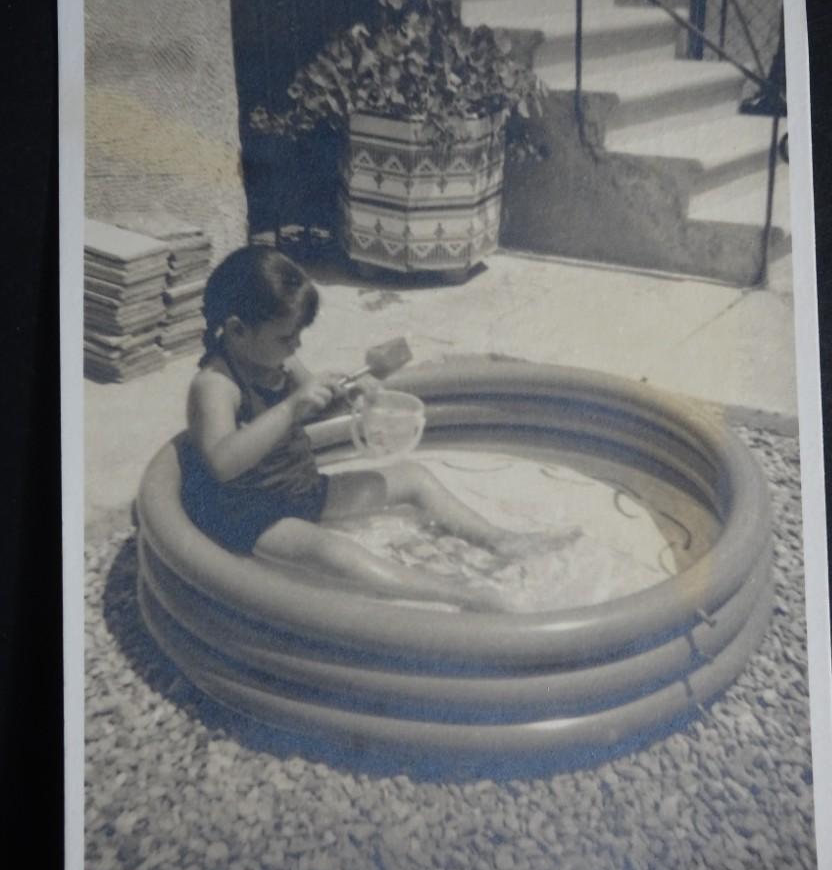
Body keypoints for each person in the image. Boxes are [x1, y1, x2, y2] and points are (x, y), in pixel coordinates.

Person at [181, 246, 576, 611]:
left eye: (299, 335)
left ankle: (499, 540)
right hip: (255, 517)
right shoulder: (215, 386)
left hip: (301, 490)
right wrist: (289, 408)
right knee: (335, 555)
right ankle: (462, 594)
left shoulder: (277, 362)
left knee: (413, 478)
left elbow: (312, 405)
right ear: (237, 331)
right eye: (286, 337)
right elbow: (221, 462)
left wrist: (349, 394)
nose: (295, 347)